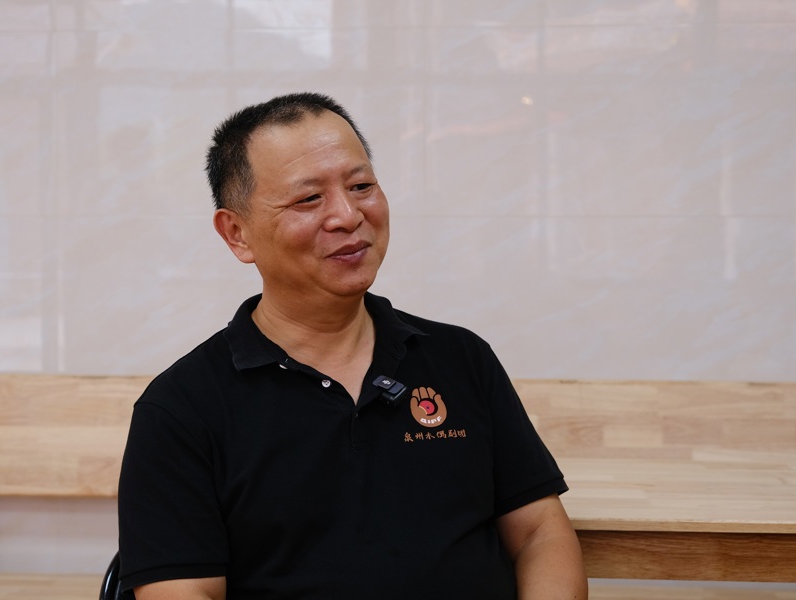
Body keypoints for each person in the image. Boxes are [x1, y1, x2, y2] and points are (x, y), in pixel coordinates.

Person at [117, 92, 587, 600]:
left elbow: (539, 533)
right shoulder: (181, 409)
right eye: (308, 199)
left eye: (361, 186)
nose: (347, 215)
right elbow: (182, 591)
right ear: (237, 234)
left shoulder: (460, 358)